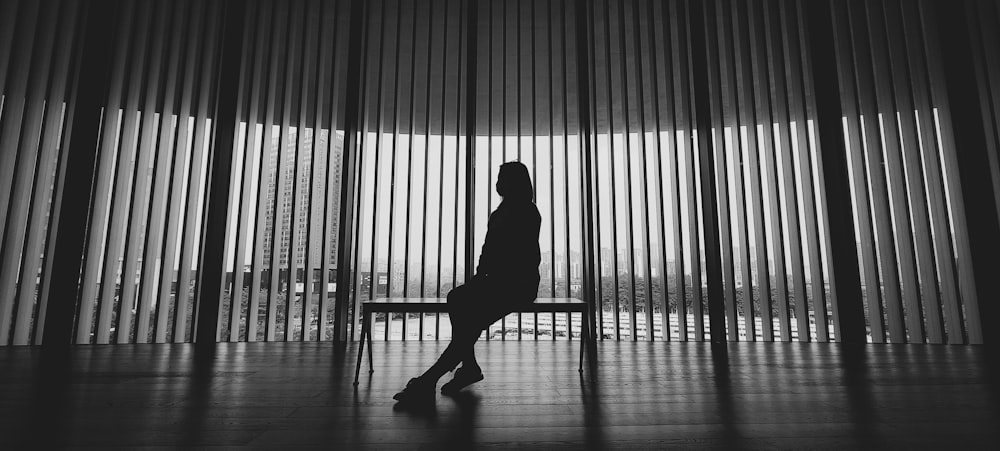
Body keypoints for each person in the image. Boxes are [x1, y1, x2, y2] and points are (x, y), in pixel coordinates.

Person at [393, 161, 541, 406]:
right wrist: (481, 280)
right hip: (500, 283)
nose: (497, 182)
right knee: (458, 300)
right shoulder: (508, 211)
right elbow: (490, 252)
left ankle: (429, 380)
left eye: (502, 177)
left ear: (513, 182)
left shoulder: (523, 211)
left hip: (517, 285)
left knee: (467, 320)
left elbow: (515, 255)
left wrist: (484, 280)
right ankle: (467, 367)